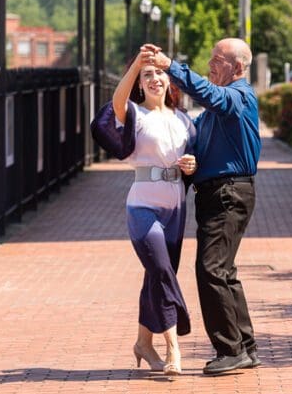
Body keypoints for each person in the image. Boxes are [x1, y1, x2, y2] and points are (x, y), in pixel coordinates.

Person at [140, 39, 261, 376]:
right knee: (223, 271)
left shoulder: (238, 97)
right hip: (216, 193)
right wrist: (191, 164)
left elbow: (210, 94)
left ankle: (230, 349)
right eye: (210, 58)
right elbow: (201, 152)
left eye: (216, 60)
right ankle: (244, 346)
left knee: (210, 269)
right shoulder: (213, 115)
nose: (210, 64)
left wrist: (170, 67)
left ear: (236, 67)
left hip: (229, 193)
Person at [110, 56, 197, 376]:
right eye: (147, 75)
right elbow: (117, 101)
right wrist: (134, 65)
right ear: (139, 82)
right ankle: (175, 346)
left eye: (159, 72)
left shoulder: (184, 120)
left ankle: (142, 344)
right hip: (143, 206)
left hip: (175, 208)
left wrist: (191, 164)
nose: (154, 78)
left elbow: (194, 159)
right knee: (162, 271)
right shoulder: (134, 113)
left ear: (169, 80)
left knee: (156, 277)